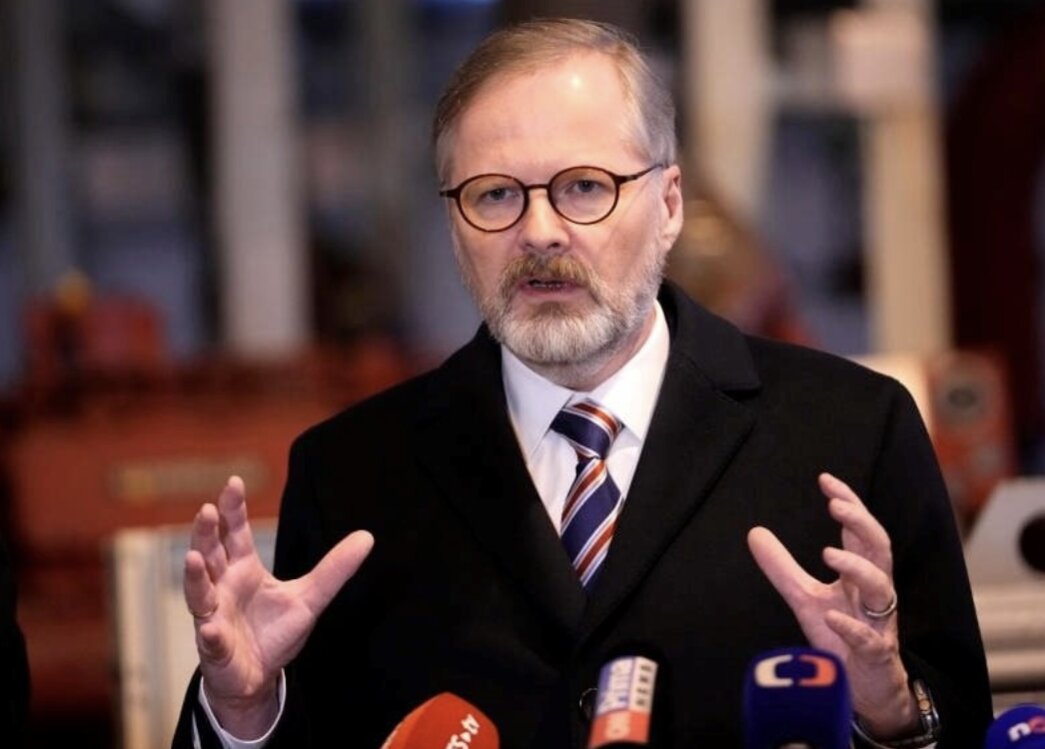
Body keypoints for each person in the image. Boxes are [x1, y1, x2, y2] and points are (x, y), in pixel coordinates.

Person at [173, 18, 991, 749]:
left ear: (669, 204)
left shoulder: (852, 430)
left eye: (584, 187)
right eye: (495, 194)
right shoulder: (351, 474)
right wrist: (245, 709)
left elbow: (956, 718)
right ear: (454, 227)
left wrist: (889, 707)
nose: (539, 231)